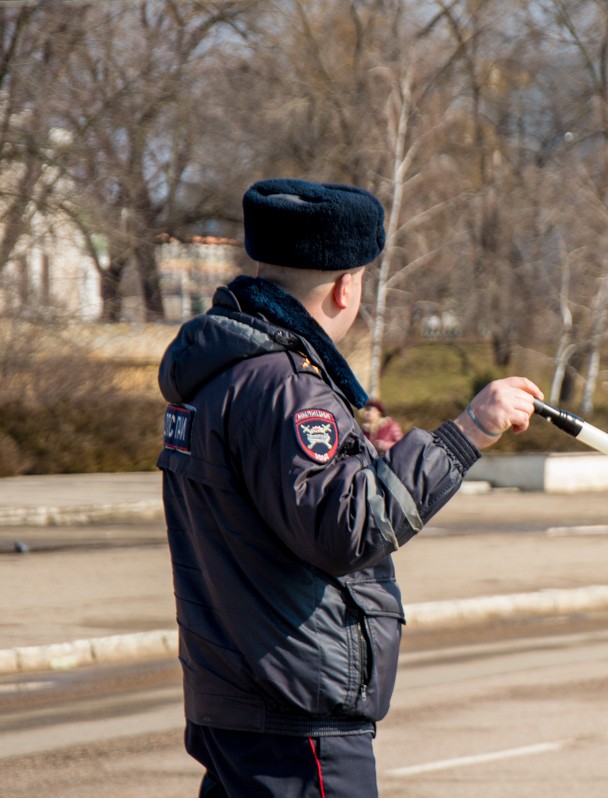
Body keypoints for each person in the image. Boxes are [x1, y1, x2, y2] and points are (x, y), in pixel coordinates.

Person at [157, 178, 542, 798]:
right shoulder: (288, 388)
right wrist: (469, 431)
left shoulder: (222, 373)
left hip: (236, 701)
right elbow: (348, 526)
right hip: (295, 713)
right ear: (346, 286)